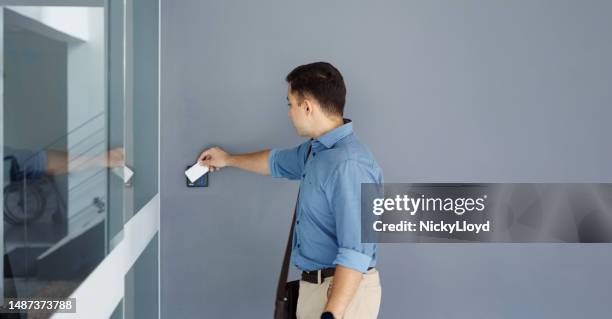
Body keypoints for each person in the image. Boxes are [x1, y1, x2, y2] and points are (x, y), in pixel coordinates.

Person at [198, 62, 383, 319]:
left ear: (307, 106)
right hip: (318, 288)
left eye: (290, 104)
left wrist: (331, 313)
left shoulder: (348, 165)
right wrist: (228, 159)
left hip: (341, 296)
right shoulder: (316, 152)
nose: (288, 113)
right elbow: (273, 162)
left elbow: (356, 251)